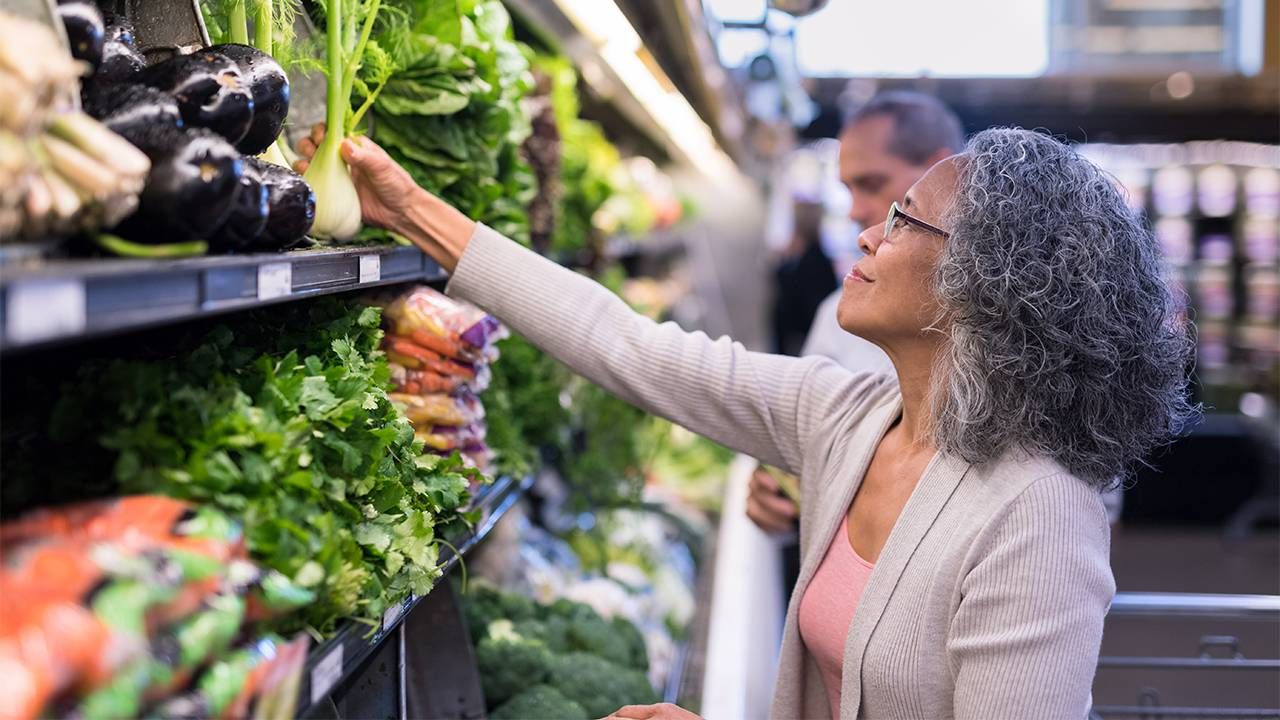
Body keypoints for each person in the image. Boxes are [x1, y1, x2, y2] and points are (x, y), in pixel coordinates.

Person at [296, 125, 1195, 719]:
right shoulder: (849, 418)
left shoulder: (1036, 513)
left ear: (984, 283)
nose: (867, 237)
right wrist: (410, 209)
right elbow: (628, 346)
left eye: (901, 219)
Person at [750, 90, 964, 536]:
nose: (854, 214)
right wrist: (777, 487)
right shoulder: (838, 312)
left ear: (941, 174)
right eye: (846, 188)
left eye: (871, 184)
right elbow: (796, 441)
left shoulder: (1017, 331)